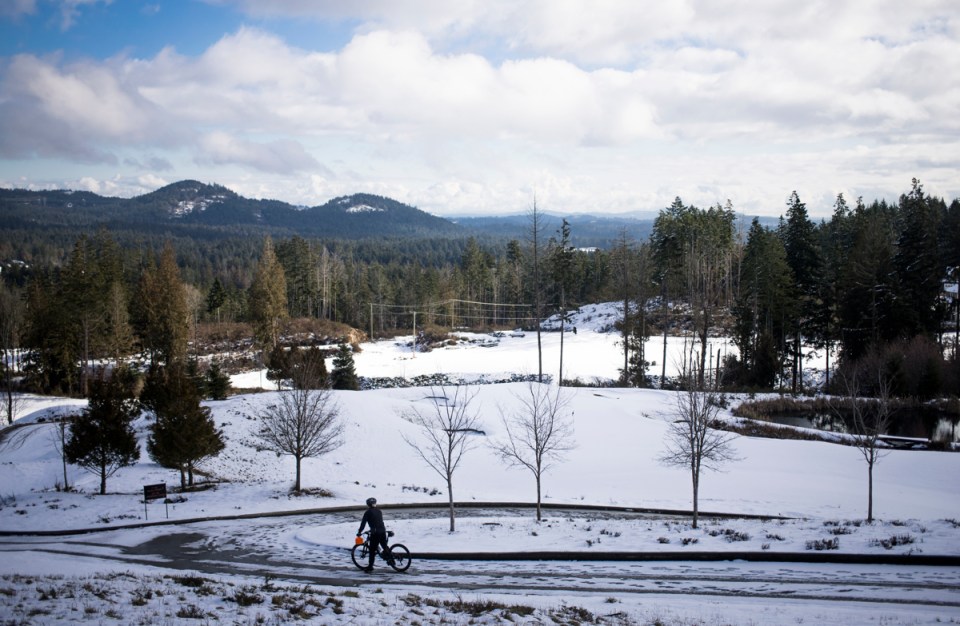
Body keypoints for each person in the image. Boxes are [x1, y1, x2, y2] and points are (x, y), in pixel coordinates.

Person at [357, 497, 392, 572]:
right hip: (383, 531)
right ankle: (391, 559)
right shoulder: (379, 511)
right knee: (384, 546)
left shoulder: (368, 512)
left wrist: (360, 531)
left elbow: (363, 523)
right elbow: (377, 521)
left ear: (368, 504)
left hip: (375, 533)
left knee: (372, 550)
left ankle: (370, 567)